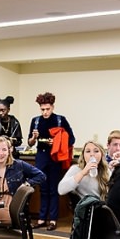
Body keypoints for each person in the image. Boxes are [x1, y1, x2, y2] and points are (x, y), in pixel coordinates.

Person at [26, 92, 75, 231]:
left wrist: (57, 142)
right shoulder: (35, 121)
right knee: (43, 189)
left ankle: (53, 219)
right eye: (42, 109)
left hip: (55, 157)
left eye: (47, 109)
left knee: (54, 189)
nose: (45, 112)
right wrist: (34, 138)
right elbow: (29, 143)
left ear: (52, 107)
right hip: (41, 156)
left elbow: (71, 139)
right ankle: (41, 218)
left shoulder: (60, 120)